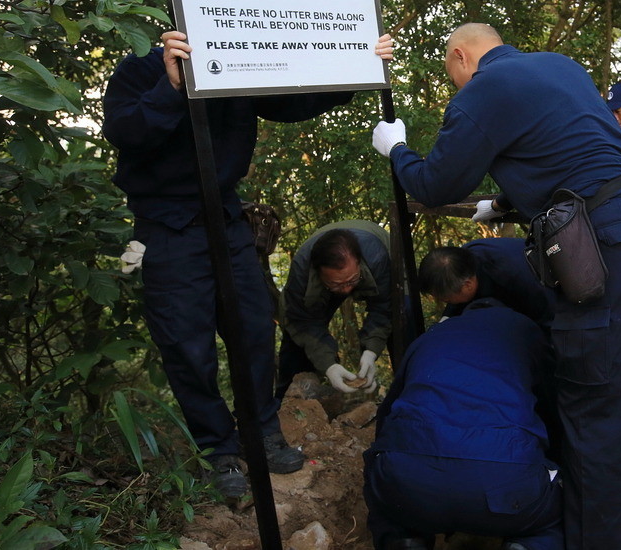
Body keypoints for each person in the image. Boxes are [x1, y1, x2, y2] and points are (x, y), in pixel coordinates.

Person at [372, 23, 621, 550]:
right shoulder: (560, 66)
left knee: (598, 410)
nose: (456, 85)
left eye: (451, 73)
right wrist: (507, 201)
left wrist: (397, 150)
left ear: (462, 57)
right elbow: (572, 150)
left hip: (610, 241)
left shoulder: (482, 91)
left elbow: (435, 184)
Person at [103, 30, 394, 498]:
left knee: (255, 329)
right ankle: (219, 451)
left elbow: (291, 97)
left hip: (227, 216)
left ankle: (263, 432)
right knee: (188, 346)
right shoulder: (139, 68)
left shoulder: (235, 56)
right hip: (167, 225)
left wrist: (359, 64)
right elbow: (125, 132)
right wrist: (171, 85)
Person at [363, 298, 563, 550]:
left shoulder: (432, 335)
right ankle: (528, 544)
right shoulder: (524, 329)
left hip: (408, 475)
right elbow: (552, 403)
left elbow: (388, 414)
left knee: (389, 506)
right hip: (505, 475)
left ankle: (405, 539)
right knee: (549, 518)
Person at [277, 220, 392, 397]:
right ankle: (285, 402)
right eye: (338, 284)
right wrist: (328, 365)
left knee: (403, 312)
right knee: (295, 343)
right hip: (315, 290)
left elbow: (384, 307)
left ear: (359, 262)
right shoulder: (302, 272)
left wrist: (371, 352)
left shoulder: (378, 257)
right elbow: (301, 322)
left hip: (377, 263)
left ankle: (408, 388)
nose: (346, 290)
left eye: (351, 281)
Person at [418, 238, 554, 324]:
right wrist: (447, 318)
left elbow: (549, 320)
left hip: (554, 290)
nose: (448, 304)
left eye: (447, 300)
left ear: (467, 285)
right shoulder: (459, 262)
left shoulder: (519, 280)